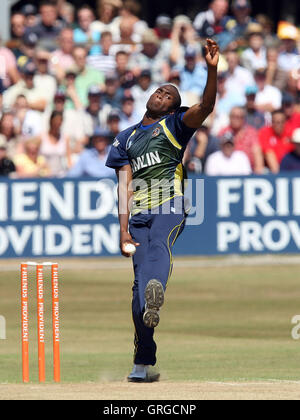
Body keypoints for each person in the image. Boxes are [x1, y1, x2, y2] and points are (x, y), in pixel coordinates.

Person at [105, 39, 219, 382]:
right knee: (139, 293)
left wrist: (212, 69)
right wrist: (123, 229)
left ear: (173, 109)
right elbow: (124, 185)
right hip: (137, 213)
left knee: (159, 247)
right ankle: (142, 363)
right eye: (159, 91)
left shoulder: (175, 126)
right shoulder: (124, 139)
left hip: (171, 204)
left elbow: (208, 105)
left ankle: (157, 286)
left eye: (169, 96)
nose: (162, 95)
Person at [218, 106, 264, 173]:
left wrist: (258, 172)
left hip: (248, 171)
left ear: (244, 118)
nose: (236, 119)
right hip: (226, 170)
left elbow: (257, 152)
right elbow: (218, 154)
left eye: (239, 117)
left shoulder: (251, 132)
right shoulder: (223, 132)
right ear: (229, 117)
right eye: (233, 117)